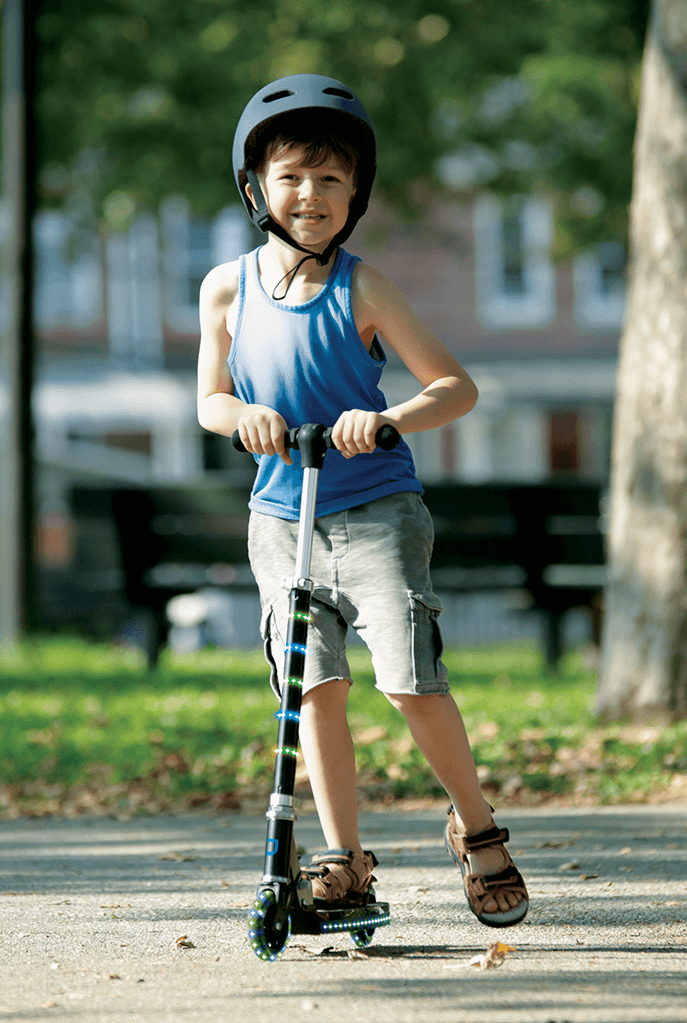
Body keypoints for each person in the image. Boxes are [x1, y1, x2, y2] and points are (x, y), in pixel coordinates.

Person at [197, 73, 528, 928]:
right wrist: (244, 418)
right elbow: (208, 400)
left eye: (332, 180)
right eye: (292, 177)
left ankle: (477, 825)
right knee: (314, 689)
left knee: (410, 682)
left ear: (357, 194)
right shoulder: (225, 290)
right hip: (282, 517)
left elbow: (455, 387)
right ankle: (343, 860)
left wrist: (383, 420)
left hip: (376, 513)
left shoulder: (365, 289)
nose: (311, 195)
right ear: (255, 188)